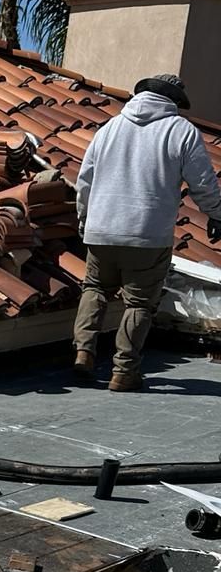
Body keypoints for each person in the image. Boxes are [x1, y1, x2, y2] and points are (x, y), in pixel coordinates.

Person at [73, 72, 221, 391]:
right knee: (139, 304)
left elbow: (84, 180)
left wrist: (85, 221)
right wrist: (217, 214)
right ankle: (124, 371)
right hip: (146, 234)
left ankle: (83, 352)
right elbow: (203, 184)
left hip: (101, 230)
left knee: (95, 289)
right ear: (174, 102)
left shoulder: (109, 128)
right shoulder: (181, 130)